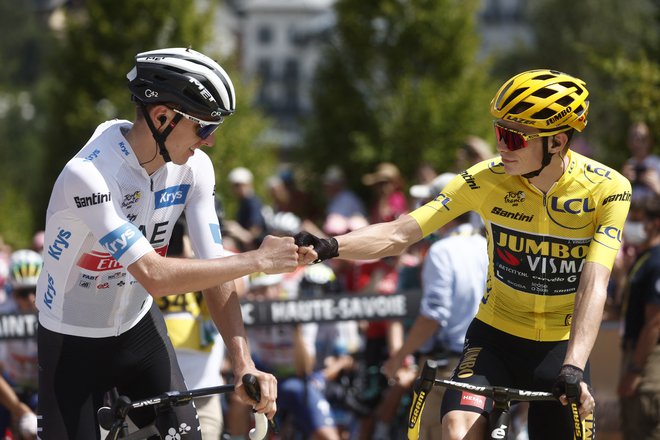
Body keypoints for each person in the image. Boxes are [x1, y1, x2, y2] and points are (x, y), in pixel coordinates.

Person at [295, 69, 631, 440]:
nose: (501, 146)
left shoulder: (608, 189)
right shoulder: (485, 179)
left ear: (557, 141)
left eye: (512, 137)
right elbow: (398, 234)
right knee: (456, 427)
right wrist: (331, 246)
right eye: (497, 132)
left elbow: (594, 282)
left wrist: (574, 366)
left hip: (561, 346)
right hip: (495, 338)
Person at [35, 47, 314, 440]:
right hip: (71, 343)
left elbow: (216, 271)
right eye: (205, 128)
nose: (211, 142)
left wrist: (243, 363)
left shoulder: (195, 168)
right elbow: (155, 275)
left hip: (138, 331)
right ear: (163, 116)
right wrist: (258, 259)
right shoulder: (90, 175)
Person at [381, 180, 488, 440]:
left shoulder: (441, 251)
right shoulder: (487, 245)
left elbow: (433, 316)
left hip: (447, 369)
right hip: (485, 366)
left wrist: (399, 357)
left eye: (429, 204)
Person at [617, 196, 660, 439]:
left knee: (645, 424)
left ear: (656, 223)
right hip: (636, 352)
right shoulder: (642, 259)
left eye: (637, 219)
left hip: (649, 363)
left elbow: (655, 321)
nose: (631, 226)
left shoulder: (657, 260)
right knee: (631, 425)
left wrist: (635, 369)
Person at [0, 249, 41, 440]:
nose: (31, 298)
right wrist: (18, 409)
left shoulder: (57, 312)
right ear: (12, 292)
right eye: (23, 293)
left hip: (44, 386)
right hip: (10, 385)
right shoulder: (3, 314)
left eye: (35, 290)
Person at [223, 166, 268, 251]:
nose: (238, 188)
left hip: (256, 248)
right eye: (235, 185)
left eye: (240, 185)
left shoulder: (252, 202)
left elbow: (254, 233)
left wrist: (235, 229)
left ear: (249, 184)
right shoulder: (245, 202)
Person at [621, 121, 660, 203]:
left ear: (649, 141)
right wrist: (623, 182)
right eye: (634, 138)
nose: (637, 142)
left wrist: (656, 187)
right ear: (629, 142)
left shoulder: (657, 164)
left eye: (642, 138)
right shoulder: (628, 166)